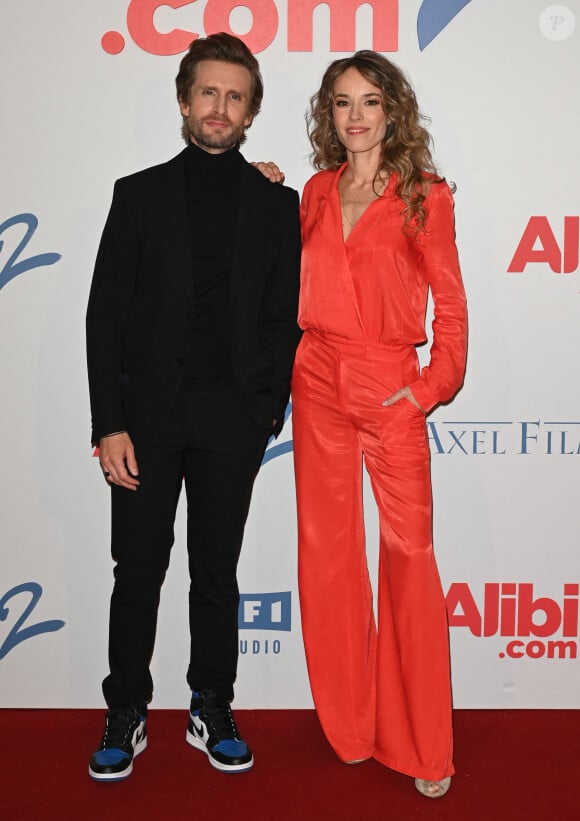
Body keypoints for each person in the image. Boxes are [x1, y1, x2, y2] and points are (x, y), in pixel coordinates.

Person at [85, 32, 301, 782]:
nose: (220, 107)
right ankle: (127, 710)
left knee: (216, 571)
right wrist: (108, 422)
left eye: (235, 96)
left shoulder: (276, 204)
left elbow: (283, 317)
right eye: (208, 92)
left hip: (230, 422)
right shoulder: (136, 193)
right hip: (144, 422)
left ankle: (212, 701)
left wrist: (264, 410)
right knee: (137, 567)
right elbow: (105, 315)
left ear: (249, 114)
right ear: (185, 101)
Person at [291, 51, 467, 798]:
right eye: (341, 103)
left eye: (368, 101)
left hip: (390, 383)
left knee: (408, 556)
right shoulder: (314, 191)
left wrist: (426, 389)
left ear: (392, 110)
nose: (355, 116)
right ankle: (352, 725)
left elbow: (452, 310)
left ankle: (426, 743)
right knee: (328, 556)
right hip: (317, 377)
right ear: (327, 116)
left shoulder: (425, 195)